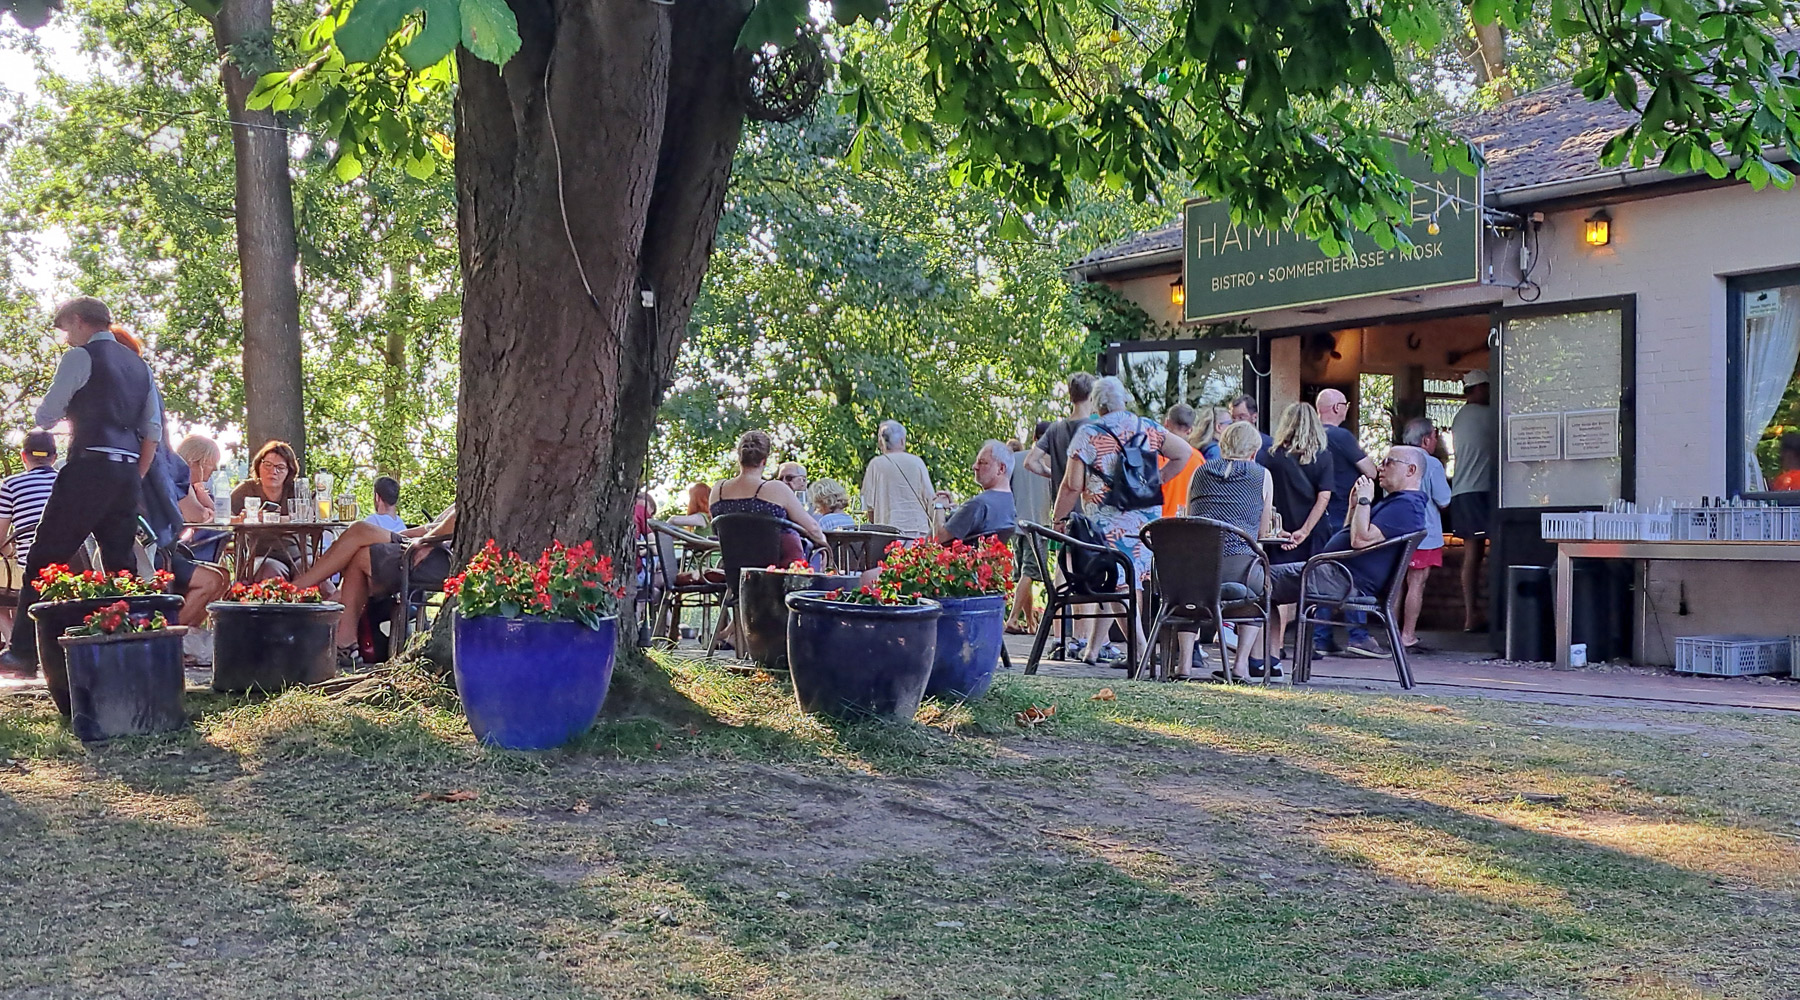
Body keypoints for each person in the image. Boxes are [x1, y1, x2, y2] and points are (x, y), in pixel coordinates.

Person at [2, 297, 162, 677]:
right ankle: (129, 647)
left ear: (77, 321)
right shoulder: (140, 367)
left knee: (45, 557)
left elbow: (46, 415)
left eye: (67, 330)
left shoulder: (80, 358)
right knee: (120, 563)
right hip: (125, 471)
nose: (67, 339)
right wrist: (132, 476)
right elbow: (152, 430)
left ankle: (24, 652)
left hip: (89, 465)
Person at [1053, 376, 1193, 667]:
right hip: (1143, 523)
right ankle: (1093, 649)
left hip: (1105, 523)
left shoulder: (1088, 433)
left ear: (1097, 404)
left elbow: (1071, 484)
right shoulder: (1147, 427)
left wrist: (1058, 520)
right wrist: (1157, 482)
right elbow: (1184, 453)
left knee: (1115, 582)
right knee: (1124, 582)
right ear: (1124, 400)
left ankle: (1140, 650)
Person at [1263, 446, 1432, 659]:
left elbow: (1360, 540)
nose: (1380, 467)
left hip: (1345, 580)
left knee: (1259, 580)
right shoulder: (1397, 502)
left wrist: (1365, 500)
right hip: (1336, 573)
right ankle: (1268, 660)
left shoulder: (1406, 506)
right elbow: (1351, 534)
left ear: (1411, 470)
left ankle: (1253, 659)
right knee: (1264, 582)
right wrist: (1354, 507)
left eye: (1389, 462)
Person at [292, 503, 458, 666]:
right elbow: (432, 527)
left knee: (359, 534)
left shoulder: (475, 492)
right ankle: (344, 643)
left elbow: (455, 519)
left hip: (439, 554)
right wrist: (391, 536)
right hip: (429, 545)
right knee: (361, 544)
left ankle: (294, 590)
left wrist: (425, 543)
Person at [1184, 422, 1276, 682]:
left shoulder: (1200, 471)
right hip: (1240, 569)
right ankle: (1240, 665)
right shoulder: (1261, 475)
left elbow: (1191, 519)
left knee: (1186, 589)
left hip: (1196, 571)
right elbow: (1262, 531)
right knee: (1260, 588)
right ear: (1254, 451)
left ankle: (1183, 666)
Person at [714, 430, 827, 566]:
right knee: (819, 554)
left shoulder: (718, 490)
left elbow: (717, 531)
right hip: (778, 576)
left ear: (739, 457)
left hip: (733, 573)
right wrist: (825, 547)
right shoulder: (776, 489)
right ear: (764, 460)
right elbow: (813, 528)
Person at [1399, 418, 1453, 650]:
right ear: (1425, 439)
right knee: (1416, 583)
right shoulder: (1431, 464)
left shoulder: (1393, 458)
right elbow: (1443, 500)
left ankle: (1391, 631)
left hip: (1394, 530)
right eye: (1434, 436)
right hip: (1423, 531)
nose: (1436, 440)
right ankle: (1407, 634)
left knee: (1395, 583)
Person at [1449, 369, 1496, 632]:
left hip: (1462, 491)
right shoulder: (1489, 415)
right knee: (1496, 550)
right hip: (1482, 491)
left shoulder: (1459, 418)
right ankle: (1495, 611)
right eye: (1487, 387)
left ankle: (1471, 614)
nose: (1490, 392)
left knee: (1473, 554)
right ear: (1477, 389)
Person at [230, 440, 304, 580]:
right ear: (258, 466)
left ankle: (338, 600)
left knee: (311, 569)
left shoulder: (297, 489)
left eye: (280, 467)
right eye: (267, 465)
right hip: (262, 554)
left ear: (289, 471)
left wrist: (274, 519)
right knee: (270, 570)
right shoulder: (247, 489)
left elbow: (310, 514)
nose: (273, 472)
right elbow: (223, 514)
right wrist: (241, 518)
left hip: (298, 553)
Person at [1006, 421, 1053, 635]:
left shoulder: (1016, 460)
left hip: (1017, 524)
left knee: (1026, 573)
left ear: (1035, 437)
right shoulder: (1053, 461)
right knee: (1029, 572)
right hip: (1039, 525)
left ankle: (1030, 623)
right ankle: (1013, 619)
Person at [859, 420, 935, 537]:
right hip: (917, 531)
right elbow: (930, 498)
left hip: (887, 533)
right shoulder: (917, 462)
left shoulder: (876, 464)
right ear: (902, 440)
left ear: (881, 442)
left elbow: (869, 506)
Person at [1023, 372, 1096, 494]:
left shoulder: (1054, 429)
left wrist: (1056, 476)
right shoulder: (1096, 429)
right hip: (1088, 505)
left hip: (1061, 504)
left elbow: (1030, 462)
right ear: (1091, 396)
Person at [935, 440, 1015, 543]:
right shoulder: (1009, 502)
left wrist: (939, 506)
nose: (975, 467)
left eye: (982, 462)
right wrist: (956, 511)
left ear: (1001, 468)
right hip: (990, 557)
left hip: (960, 557)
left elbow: (937, 538)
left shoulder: (978, 505)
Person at [1159, 404, 1202, 518]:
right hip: (1186, 525)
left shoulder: (1154, 456)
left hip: (1156, 524)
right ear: (1190, 430)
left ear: (1166, 423)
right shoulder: (1198, 460)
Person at [174, 434, 221, 523]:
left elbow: (227, 518)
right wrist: (209, 511)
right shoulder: (180, 484)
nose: (215, 469)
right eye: (211, 463)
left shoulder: (198, 490)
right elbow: (199, 516)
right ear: (193, 462)